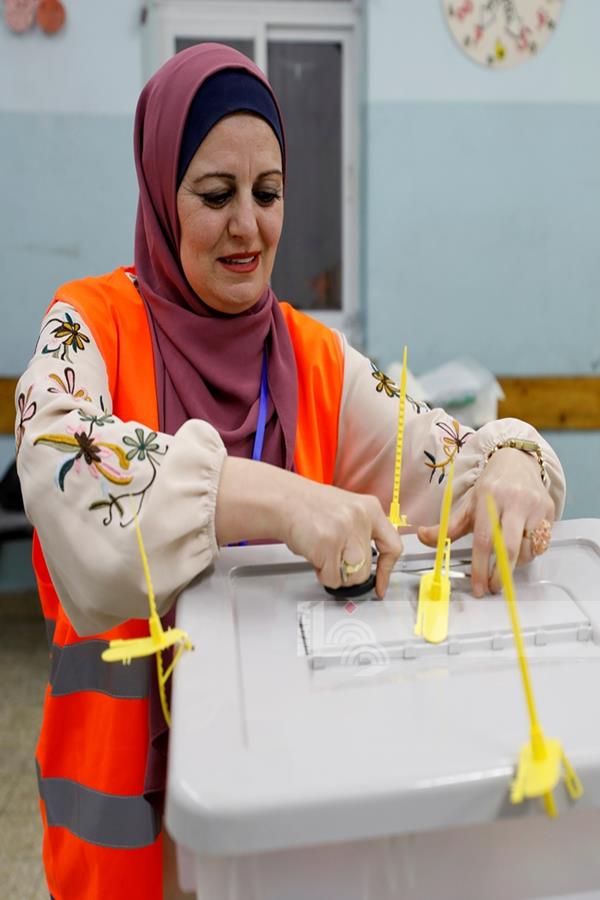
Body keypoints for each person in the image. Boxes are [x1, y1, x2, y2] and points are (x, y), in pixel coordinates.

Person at [15, 43, 564, 900]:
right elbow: (62, 470)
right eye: (215, 195)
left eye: (267, 194)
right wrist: (275, 498)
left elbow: (455, 456)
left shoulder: (317, 361)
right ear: (160, 194)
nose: (248, 227)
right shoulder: (88, 325)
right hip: (126, 833)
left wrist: (517, 462)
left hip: (279, 811)